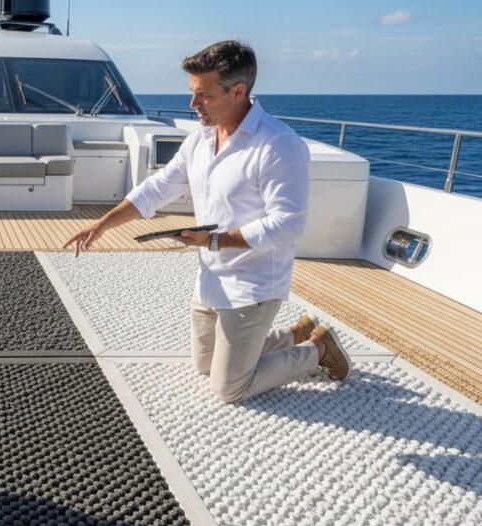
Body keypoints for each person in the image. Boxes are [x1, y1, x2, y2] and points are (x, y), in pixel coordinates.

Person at [64, 40, 352, 403]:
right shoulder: (200, 140)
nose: (192, 105)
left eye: (203, 96)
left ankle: (317, 351)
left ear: (238, 91)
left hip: (253, 284)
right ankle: (297, 333)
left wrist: (215, 242)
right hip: (212, 277)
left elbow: (290, 223)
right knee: (204, 365)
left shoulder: (278, 145)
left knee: (230, 387)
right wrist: (101, 225)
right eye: (191, 93)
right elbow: (157, 188)